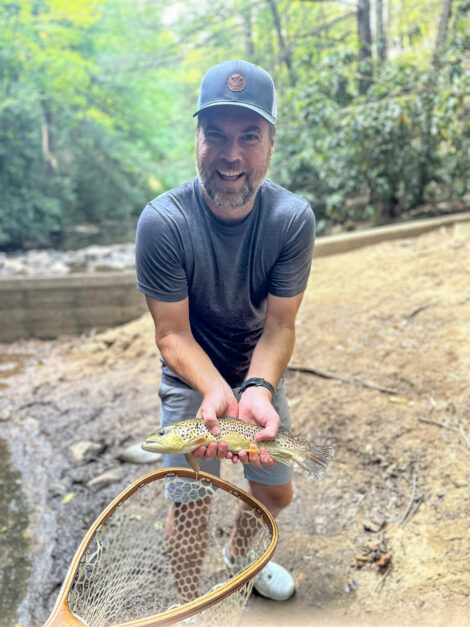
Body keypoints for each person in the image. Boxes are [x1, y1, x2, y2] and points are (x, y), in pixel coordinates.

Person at [135, 59, 315, 601]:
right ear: (197, 138)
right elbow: (172, 335)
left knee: (275, 494)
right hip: (193, 376)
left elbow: (281, 325)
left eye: (248, 136)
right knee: (189, 503)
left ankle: (241, 555)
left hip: (257, 367)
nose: (231, 154)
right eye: (216, 135)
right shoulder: (163, 223)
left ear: (270, 143)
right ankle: (191, 605)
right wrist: (215, 391)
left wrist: (256, 389)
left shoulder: (291, 220)